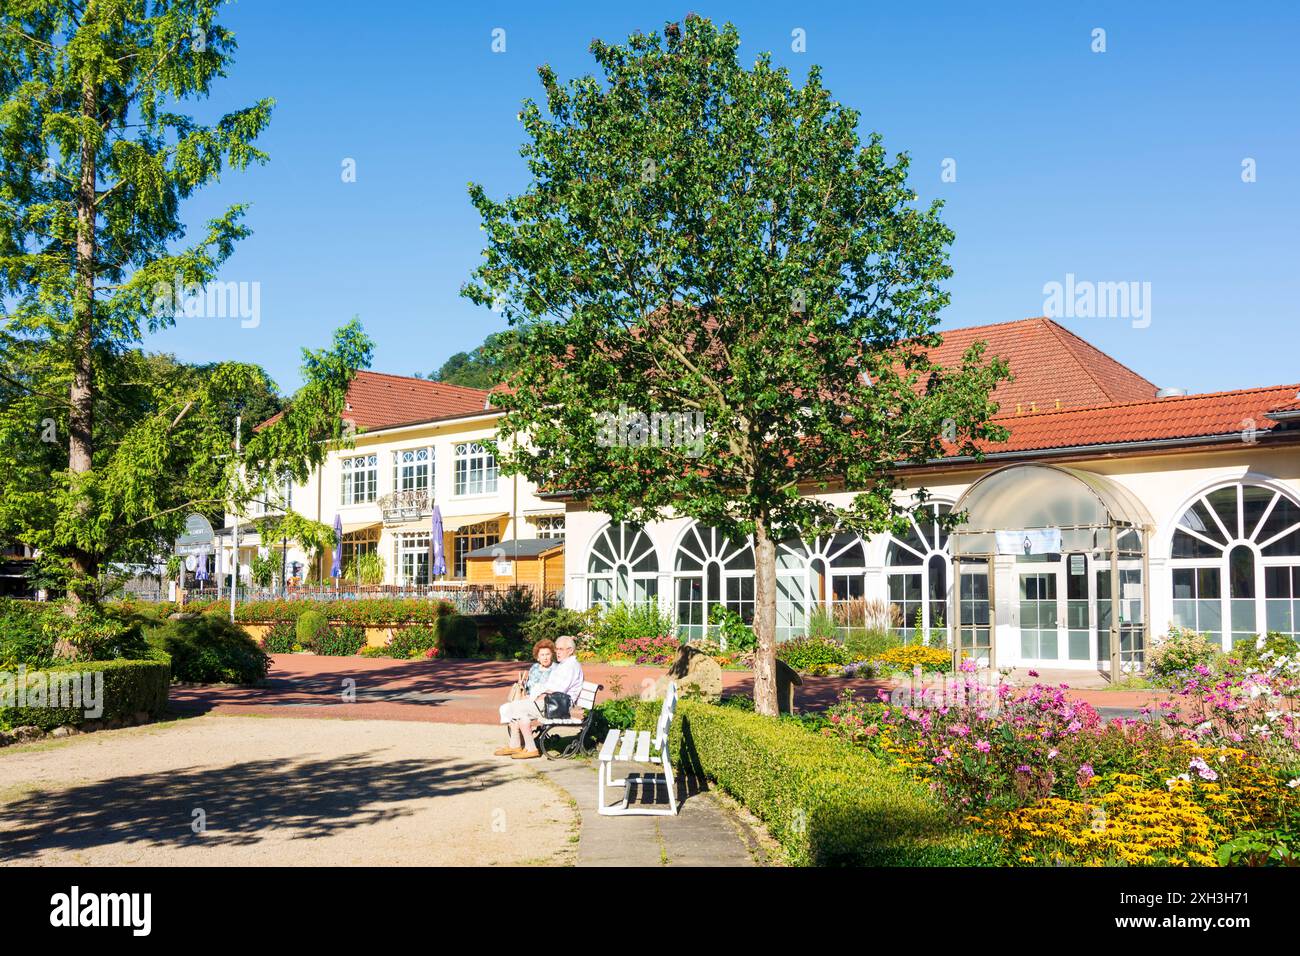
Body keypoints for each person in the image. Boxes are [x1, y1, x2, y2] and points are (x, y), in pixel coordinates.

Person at [495, 634, 584, 759]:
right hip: (552, 702)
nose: (557, 652)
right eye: (557, 649)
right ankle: (516, 745)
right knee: (513, 707)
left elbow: (558, 691)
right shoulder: (565, 665)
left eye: (561, 649)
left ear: (570, 650)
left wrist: (537, 698)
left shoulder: (570, 666)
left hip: (557, 705)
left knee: (516, 708)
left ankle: (530, 748)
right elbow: (551, 688)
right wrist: (533, 697)